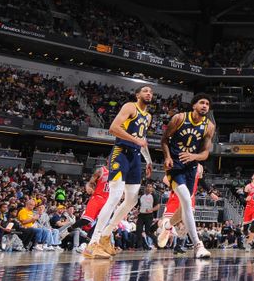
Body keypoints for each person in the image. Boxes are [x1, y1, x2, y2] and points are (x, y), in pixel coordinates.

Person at [85, 85, 153, 259]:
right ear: (137, 94)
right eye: (145, 90)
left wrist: (148, 160)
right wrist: (135, 140)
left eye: (151, 92)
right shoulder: (130, 106)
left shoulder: (148, 116)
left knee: (131, 200)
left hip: (136, 158)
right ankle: (93, 243)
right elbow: (113, 128)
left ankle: (106, 235)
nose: (149, 93)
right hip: (121, 153)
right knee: (115, 196)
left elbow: (142, 139)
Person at [161, 94, 216, 259]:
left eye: (207, 104)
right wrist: (167, 157)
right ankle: (198, 245)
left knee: (185, 205)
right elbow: (164, 140)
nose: (205, 106)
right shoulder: (179, 118)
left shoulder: (209, 126)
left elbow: (205, 152)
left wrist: (194, 157)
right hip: (175, 165)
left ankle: (168, 226)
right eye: (202, 103)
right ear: (194, 105)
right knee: (185, 199)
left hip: (191, 167)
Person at [136, 183, 160, 250]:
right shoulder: (141, 196)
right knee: (139, 230)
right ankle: (140, 246)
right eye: (147, 186)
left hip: (149, 215)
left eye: (150, 187)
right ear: (145, 188)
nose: (149, 188)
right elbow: (139, 206)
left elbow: (158, 206)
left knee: (148, 232)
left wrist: (151, 209)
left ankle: (158, 243)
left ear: (152, 188)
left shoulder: (154, 195)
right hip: (141, 215)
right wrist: (137, 211)